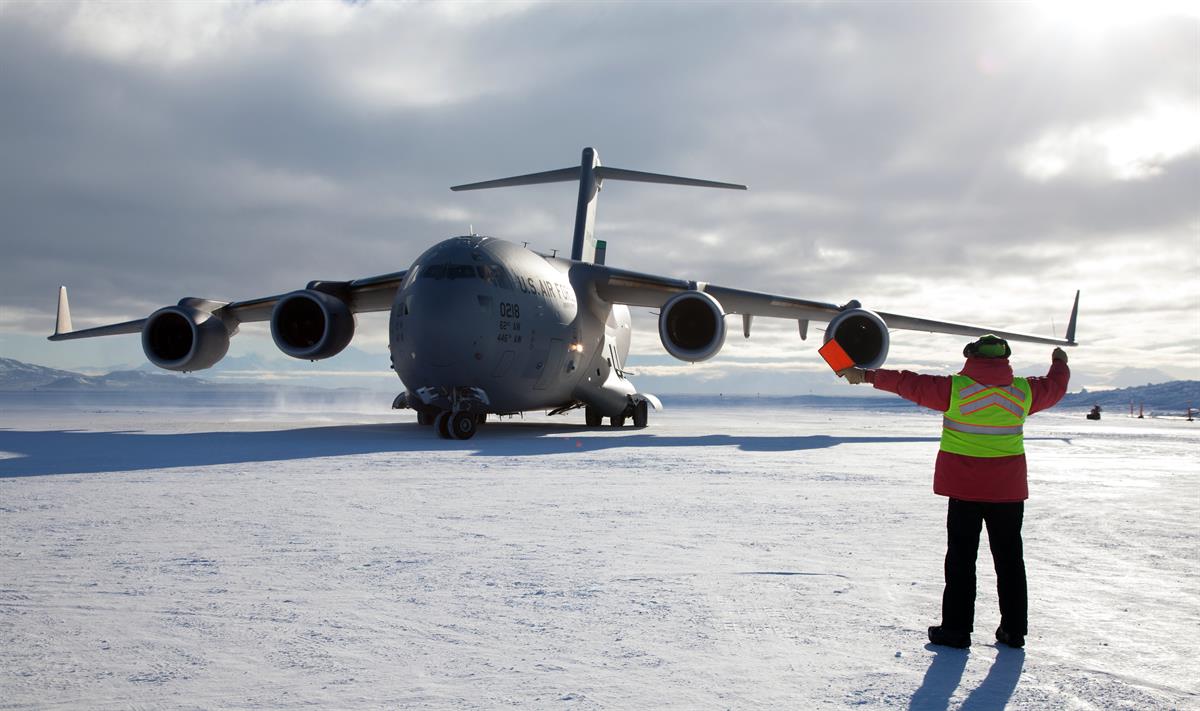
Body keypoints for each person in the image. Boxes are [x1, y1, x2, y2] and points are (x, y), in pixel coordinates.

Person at [839, 335, 1070, 649]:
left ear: (971, 356)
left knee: (961, 560)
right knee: (1010, 560)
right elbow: (1055, 387)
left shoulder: (955, 390)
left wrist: (865, 375)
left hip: (965, 491)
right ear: (1004, 358)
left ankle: (956, 630)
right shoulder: (1024, 392)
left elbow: (909, 383)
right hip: (1008, 492)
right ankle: (1014, 631)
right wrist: (1060, 363)